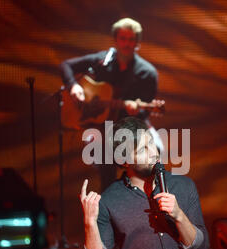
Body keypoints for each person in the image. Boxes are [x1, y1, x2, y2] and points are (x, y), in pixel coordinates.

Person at [79, 117, 209, 249]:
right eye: (143, 149)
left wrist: (179, 216)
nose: (154, 153)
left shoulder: (184, 186)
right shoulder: (109, 200)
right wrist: (89, 223)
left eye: (151, 143)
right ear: (123, 160)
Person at [59, 17, 164, 191]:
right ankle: (109, 202)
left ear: (137, 43)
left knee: (156, 149)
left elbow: (145, 113)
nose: (127, 44)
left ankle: (146, 198)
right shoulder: (102, 60)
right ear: (115, 40)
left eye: (131, 39)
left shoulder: (147, 73)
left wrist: (135, 112)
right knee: (102, 149)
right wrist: (73, 86)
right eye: (123, 38)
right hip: (102, 126)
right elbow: (66, 66)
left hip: (132, 126)